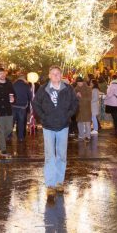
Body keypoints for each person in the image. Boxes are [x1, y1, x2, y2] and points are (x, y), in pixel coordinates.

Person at [32, 65, 79, 198]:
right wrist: (43, 117)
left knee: (62, 155)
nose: (55, 76)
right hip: (48, 126)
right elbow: (35, 103)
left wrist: (67, 115)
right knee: (50, 155)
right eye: (53, 74)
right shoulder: (43, 89)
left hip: (63, 126)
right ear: (49, 75)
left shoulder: (68, 89)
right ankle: (50, 184)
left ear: (61, 75)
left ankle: (59, 182)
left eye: (57, 74)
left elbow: (75, 103)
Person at [12, 74, 33, 142]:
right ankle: (20, 137)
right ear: (24, 78)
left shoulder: (13, 84)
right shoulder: (26, 85)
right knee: (21, 123)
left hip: (13, 106)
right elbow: (30, 96)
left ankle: (8, 136)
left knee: (11, 122)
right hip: (22, 107)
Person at [74, 76, 92, 141]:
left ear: (82, 82)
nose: (79, 84)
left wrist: (81, 96)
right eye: (78, 83)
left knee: (87, 123)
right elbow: (73, 99)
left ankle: (88, 136)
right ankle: (81, 135)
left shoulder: (88, 88)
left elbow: (89, 98)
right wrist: (76, 95)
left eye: (80, 82)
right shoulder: (75, 89)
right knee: (80, 123)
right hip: (79, 109)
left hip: (86, 109)